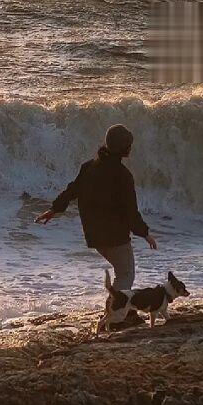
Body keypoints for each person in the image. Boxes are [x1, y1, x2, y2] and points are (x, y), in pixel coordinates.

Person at [36, 123, 157, 325]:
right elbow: (130, 211)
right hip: (114, 235)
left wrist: (54, 209)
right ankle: (115, 315)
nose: (131, 147)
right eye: (129, 144)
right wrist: (144, 233)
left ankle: (120, 311)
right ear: (125, 148)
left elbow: (71, 191)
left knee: (122, 274)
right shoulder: (122, 175)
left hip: (94, 234)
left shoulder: (89, 167)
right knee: (125, 274)